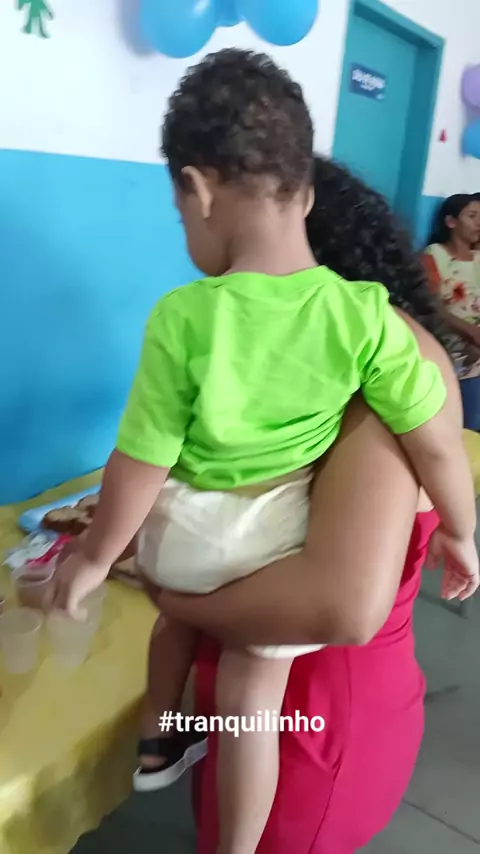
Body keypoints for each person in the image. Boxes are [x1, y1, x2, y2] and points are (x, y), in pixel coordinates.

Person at [52, 51, 477, 854]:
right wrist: (461, 528)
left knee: (176, 626)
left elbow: (142, 455)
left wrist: (99, 556)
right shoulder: (369, 322)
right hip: (272, 560)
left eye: (179, 213)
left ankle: (158, 740)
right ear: (305, 197)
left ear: (199, 190)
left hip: (193, 556)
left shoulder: (185, 316)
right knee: (251, 697)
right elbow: (438, 446)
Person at [154, 158, 479, 853]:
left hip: (308, 727)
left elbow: (341, 607)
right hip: (271, 705)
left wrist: (173, 597)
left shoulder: (376, 387)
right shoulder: (334, 363)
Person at [423, 194, 480, 429]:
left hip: (477, 352)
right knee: (459, 424)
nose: (479, 223)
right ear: (451, 222)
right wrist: (471, 334)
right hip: (453, 352)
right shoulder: (434, 256)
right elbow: (432, 307)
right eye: (472, 216)